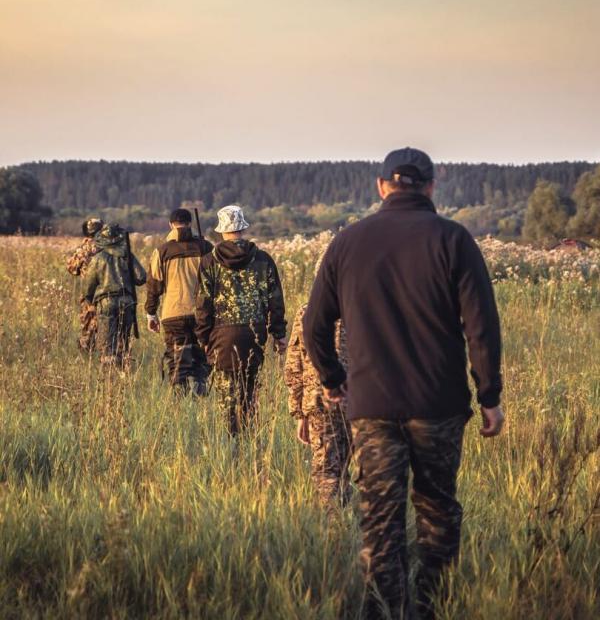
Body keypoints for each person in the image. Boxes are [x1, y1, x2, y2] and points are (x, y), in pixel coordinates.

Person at [303, 147, 504, 620]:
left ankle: (384, 611)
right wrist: (490, 396)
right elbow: (482, 327)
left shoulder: (348, 242)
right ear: (432, 187)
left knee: (380, 521)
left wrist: (333, 380)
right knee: (437, 511)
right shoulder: (454, 240)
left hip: (371, 405)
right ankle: (431, 608)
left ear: (381, 187)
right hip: (438, 404)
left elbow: (314, 326)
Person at [195, 205, 287, 435]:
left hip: (221, 337)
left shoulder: (209, 261)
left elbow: (203, 305)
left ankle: (231, 446)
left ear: (221, 231)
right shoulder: (263, 259)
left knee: (227, 401)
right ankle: (251, 445)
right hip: (253, 336)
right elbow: (275, 301)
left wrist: (203, 337)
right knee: (250, 394)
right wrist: (279, 334)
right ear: (242, 228)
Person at [285, 300, 351, 510]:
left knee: (326, 469)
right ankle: (347, 521)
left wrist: (299, 413)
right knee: (362, 468)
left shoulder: (307, 311)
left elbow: (295, 365)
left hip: (319, 401)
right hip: (360, 399)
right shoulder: (366, 307)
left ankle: (332, 523)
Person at [145, 208, 213, 395]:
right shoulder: (205, 247)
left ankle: (178, 404)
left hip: (172, 314)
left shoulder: (162, 251)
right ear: (190, 224)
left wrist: (151, 313)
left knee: (177, 361)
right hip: (202, 314)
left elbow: (154, 287)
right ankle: (200, 399)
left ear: (170, 225)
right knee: (201, 360)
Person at [82, 224, 146, 369]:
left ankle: (110, 378)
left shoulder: (98, 258)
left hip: (106, 303)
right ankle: (124, 372)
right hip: (127, 302)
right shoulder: (127, 255)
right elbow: (141, 277)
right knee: (123, 341)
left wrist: (89, 300)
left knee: (107, 345)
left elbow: (88, 287)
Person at [66, 216, 103, 352]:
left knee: (88, 327)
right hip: (107, 293)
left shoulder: (84, 248)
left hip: (88, 295)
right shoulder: (108, 246)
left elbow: (72, 268)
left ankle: (87, 353)